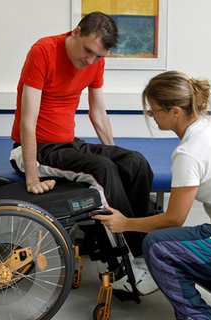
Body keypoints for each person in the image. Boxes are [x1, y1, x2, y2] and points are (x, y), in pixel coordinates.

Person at [93, 70, 211, 320]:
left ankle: (196, 316)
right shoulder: (209, 128)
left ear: (175, 111)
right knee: (180, 244)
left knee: (159, 246)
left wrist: (125, 223)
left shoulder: (189, 152)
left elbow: (174, 220)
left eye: (153, 111)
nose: (151, 117)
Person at [9, 12, 157, 294]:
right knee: (102, 169)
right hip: (38, 148)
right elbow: (28, 120)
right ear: (76, 32)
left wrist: (115, 152)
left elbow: (98, 113)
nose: (90, 60)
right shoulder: (43, 51)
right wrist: (31, 177)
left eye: (98, 56)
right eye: (88, 51)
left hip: (68, 143)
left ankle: (142, 248)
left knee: (135, 162)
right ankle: (126, 265)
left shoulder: (94, 62)